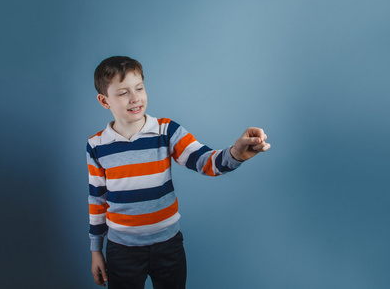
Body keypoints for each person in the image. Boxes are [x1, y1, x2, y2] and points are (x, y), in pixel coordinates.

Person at [87, 56, 271, 289]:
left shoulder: (166, 131)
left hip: (168, 246)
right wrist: (96, 250)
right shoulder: (96, 145)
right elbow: (97, 200)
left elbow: (204, 161)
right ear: (105, 101)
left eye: (140, 88)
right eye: (123, 93)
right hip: (122, 250)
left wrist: (235, 153)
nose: (135, 98)